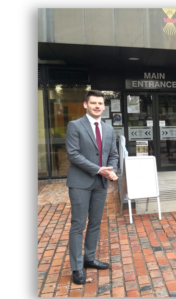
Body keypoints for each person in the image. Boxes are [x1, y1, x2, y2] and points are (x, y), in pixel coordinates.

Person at [65, 90, 119, 285]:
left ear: (104, 107)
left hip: (101, 183)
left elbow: (113, 154)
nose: (97, 106)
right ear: (85, 105)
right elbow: (73, 154)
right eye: (93, 103)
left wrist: (112, 170)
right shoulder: (75, 126)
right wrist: (99, 170)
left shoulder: (109, 129)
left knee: (95, 223)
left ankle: (89, 258)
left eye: (100, 103)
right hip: (80, 182)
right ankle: (77, 267)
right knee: (78, 225)